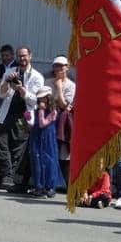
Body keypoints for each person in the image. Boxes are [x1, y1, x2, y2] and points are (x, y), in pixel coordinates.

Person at [0, 46, 44, 191]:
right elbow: (1, 94)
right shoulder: (10, 72)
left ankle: (7, 177)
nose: (22, 59)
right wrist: (6, 82)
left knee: (18, 147)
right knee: (2, 144)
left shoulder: (36, 76)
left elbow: (34, 101)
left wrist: (21, 89)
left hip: (23, 117)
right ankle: (7, 175)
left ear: (30, 56)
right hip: (7, 114)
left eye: (24, 56)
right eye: (19, 56)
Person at [45, 55, 76, 198]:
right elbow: (44, 102)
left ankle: (71, 188)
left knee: (64, 157)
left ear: (67, 68)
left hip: (62, 125)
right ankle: (49, 186)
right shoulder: (47, 82)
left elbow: (64, 105)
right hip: (48, 121)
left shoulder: (71, 85)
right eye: (56, 66)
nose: (58, 68)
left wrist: (58, 88)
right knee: (49, 155)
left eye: (61, 66)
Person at [28, 86, 59, 198]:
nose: (41, 100)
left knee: (48, 161)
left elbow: (43, 124)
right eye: (39, 98)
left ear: (48, 98)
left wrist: (41, 110)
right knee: (37, 161)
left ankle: (49, 187)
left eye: (43, 97)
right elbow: (35, 125)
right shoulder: (37, 110)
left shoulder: (53, 111)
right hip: (36, 137)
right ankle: (38, 186)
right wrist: (28, 119)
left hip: (47, 139)